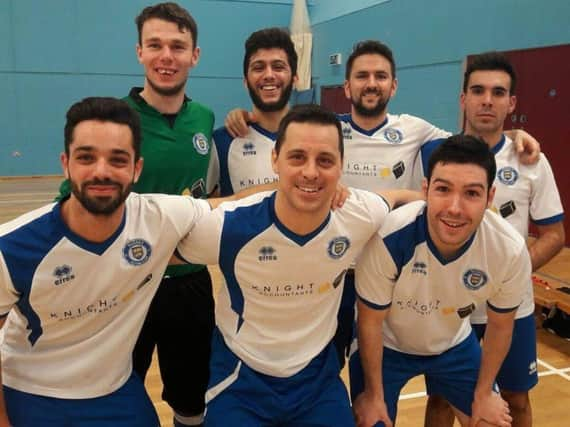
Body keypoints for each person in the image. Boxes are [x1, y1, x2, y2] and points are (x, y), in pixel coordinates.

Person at [223, 40, 542, 369]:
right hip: (330, 269)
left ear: (394, 84)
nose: (371, 83)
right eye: (362, 76)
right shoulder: (329, 127)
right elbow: (281, 124)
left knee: (374, 367)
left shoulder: (415, 129)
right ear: (347, 86)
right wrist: (244, 115)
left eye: (380, 75)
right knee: (319, 365)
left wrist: (514, 134)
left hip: (392, 274)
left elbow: (472, 141)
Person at [175, 104, 419, 427]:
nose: (311, 172)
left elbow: (403, 197)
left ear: (341, 166)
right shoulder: (230, 225)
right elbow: (159, 246)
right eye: (297, 157)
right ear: (274, 159)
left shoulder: (358, 214)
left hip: (316, 381)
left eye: (325, 161)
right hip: (242, 377)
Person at [0, 97, 216, 427]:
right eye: (86, 157)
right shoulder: (11, 247)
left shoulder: (159, 218)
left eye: (118, 159)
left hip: (114, 389)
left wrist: (309, 191)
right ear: (66, 163)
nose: (102, 171)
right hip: (31, 389)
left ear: (136, 168)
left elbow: (233, 206)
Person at [57, 4, 215, 426]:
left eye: (178, 46)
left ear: (195, 55)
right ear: (140, 52)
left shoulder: (204, 119)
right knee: (116, 391)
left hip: (188, 285)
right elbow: (69, 202)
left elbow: (209, 195)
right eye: (156, 45)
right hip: (122, 285)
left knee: (191, 398)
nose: (167, 56)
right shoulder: (114, 122)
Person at [423, 52, 565, 427]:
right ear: (463, 99)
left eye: (498, 92)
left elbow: (554, 235)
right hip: (451, 303)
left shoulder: (532, 160)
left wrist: (511, 274)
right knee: (440, 398)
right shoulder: (438, 155)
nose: (487, 100)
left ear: (511, 102)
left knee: (516, 399)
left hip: (512, 306)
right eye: (478, 90)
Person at [350, 135, 531, 427]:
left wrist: (484, 393)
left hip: (453, 346)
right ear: (425, 190)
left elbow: (500, 325)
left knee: (491, 421)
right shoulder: (389, 237)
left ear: (490, 197)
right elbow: (369, 321)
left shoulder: (508, 248)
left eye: (472, 193)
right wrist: (373, 394)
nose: (455, 208)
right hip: (387, 346)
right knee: (372, 421)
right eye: (443, 189)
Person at [210, 27, 297, 196]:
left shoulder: (315, 138)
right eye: (258, 68)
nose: (269, 75)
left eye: (278, 67)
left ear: (295, 79)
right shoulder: (221, 141)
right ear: (245, 81)